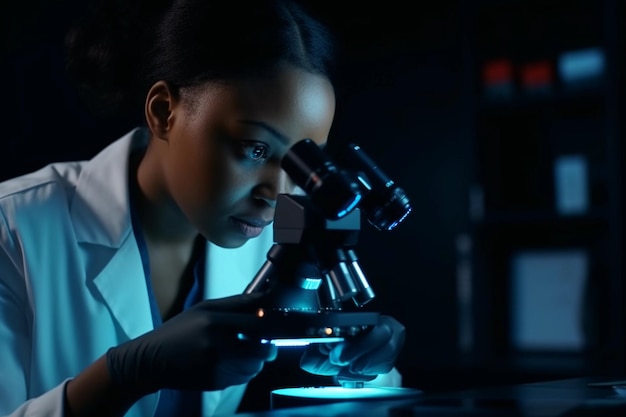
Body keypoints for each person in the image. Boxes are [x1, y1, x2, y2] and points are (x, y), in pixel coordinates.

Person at [0, 0, 406, 416]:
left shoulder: (269, 238)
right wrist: (122, 376)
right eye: (255, 149)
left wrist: (360, 367)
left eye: (301, 164)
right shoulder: (13, 228)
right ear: (163, 112)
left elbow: (338, 395)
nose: (276, 193)